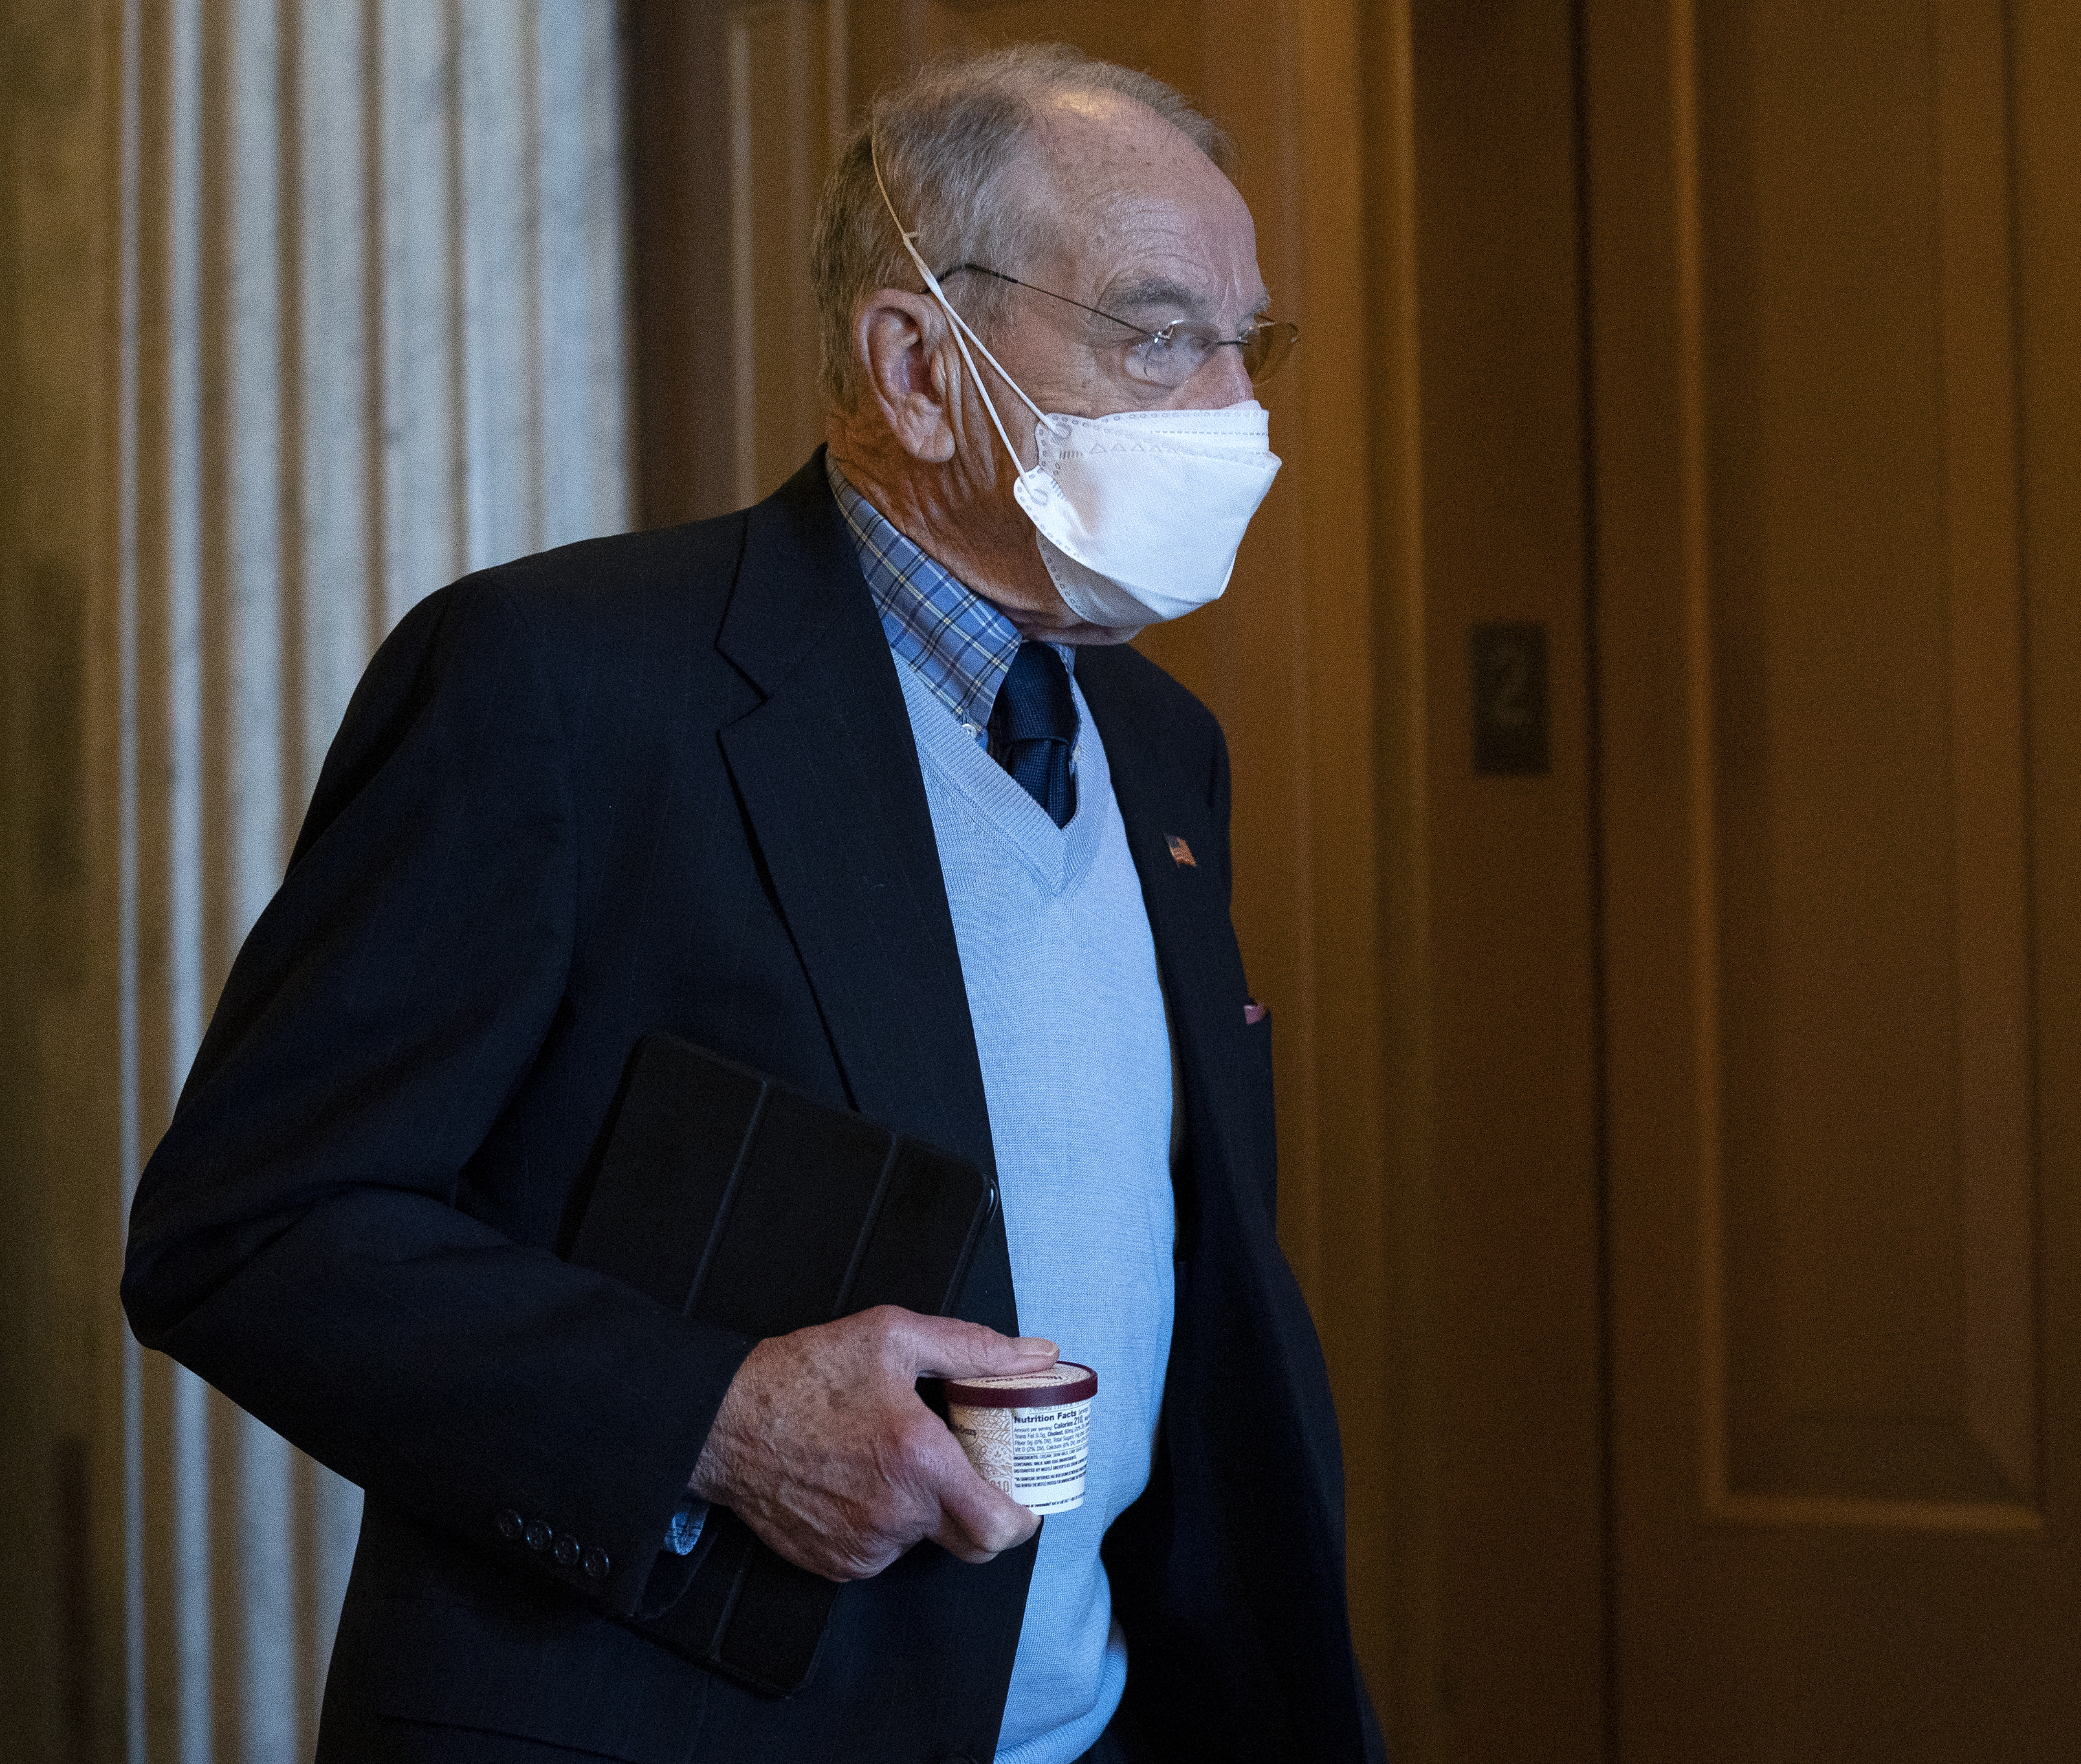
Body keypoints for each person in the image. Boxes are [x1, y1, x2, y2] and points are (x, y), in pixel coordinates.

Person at [121, 43, 1382, 1764]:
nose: (1231, 407)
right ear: (917, 366)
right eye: (1158, 329)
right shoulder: (559, 689)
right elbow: (254, 1236)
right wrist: (712, 1421)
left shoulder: (1163, 752)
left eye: (1247, 343)